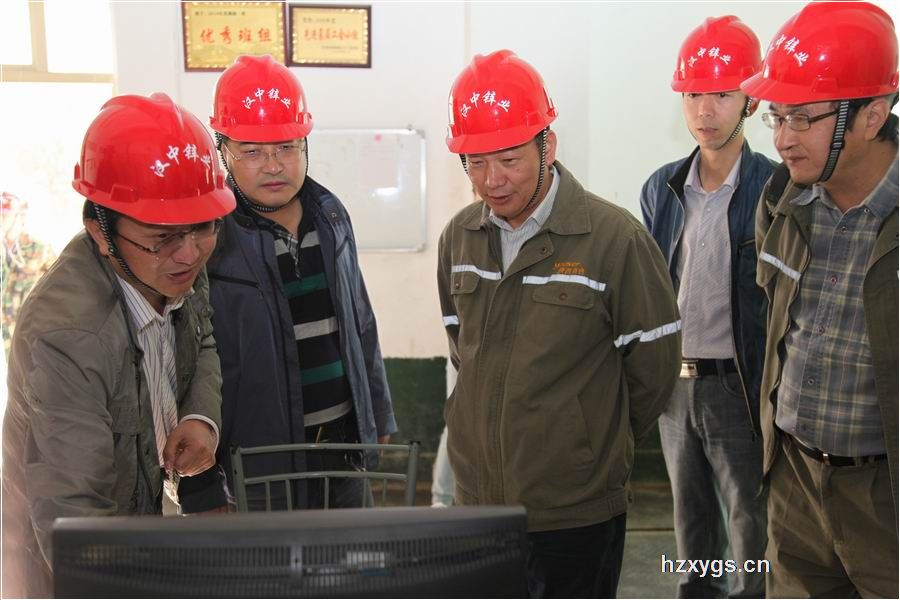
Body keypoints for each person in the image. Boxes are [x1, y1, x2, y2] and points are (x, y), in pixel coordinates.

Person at [438, 49, 682, 598]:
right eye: (475, 162)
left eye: (508, 159)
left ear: (547, 145)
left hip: (574, 513)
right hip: (478, 505)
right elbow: (462, 346)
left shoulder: (614, 239)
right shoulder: (459, 238)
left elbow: (653, 370)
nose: (492, 181)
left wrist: (588, 441)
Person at [1, 93, 236, 597]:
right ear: (100, 231)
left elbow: (204, 338)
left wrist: (201, 418)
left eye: (203, 226)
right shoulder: (68, 338)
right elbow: (76, 518)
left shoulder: (172, 265)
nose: (189, 253)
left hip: (144, 531)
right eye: (163, 235)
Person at [741, 2, 898, 597]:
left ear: (872, 115)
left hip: (885, 499)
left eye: (803, 118)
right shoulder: (782, 203)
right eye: (777, 117)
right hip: (795, 486)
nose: (783, 139)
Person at [207, 55, 396, 510]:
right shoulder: (211, 236)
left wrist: (377, 412)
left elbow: (360, 321)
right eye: (253, 152)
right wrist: (203, 480)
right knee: (271, 559)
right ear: (223, 150)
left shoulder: (330, 215)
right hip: (259, 465)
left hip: (342, 452)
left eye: (287, 147)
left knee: (352, 554)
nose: (273, 166)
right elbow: (195, 360)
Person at [640, 16, 772, 598]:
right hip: (675, 387)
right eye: (693, 94)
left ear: (750, 100)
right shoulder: (661, 188)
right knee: (691, 526)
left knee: (749, 525)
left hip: (739, 387)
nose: (704, 110)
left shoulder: (774, 188)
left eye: (721, 94)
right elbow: (652, 288)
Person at [1, 192, 56, 355]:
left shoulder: (38, 247)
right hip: (8, 334)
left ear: (19, 217)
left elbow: (61, 283)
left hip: (34, 336)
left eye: (6, 214)